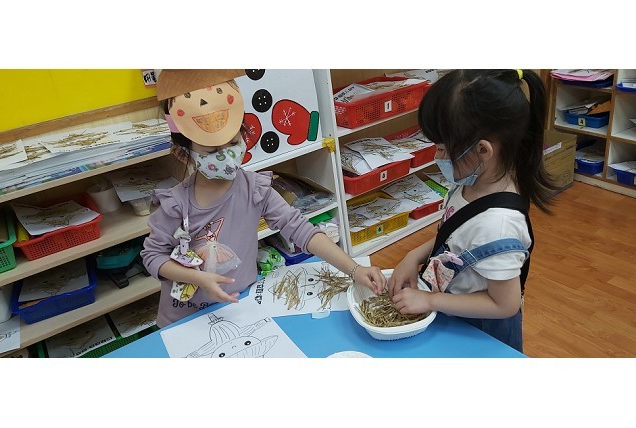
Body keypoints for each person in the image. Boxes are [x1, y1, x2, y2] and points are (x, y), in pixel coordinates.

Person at [141, 69, 386, 328]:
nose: (226, 155)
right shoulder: (175, 203)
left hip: (238, 307)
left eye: (233, 143)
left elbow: (301, 230)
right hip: (185, 319)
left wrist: (354, 269)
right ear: (183, 154)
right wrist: (198, 279)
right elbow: (153, 257)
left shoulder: (255, 188)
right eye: (212, 150)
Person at [388, 69, 556, 352]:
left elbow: (504, 304)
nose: (437, 157)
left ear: (483, 150)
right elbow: (456, 239)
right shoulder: (470, 183)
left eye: (443, 149)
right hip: (453, 315)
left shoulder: (498, 225)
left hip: (481, 333)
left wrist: (430, 300)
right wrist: (412, 255)